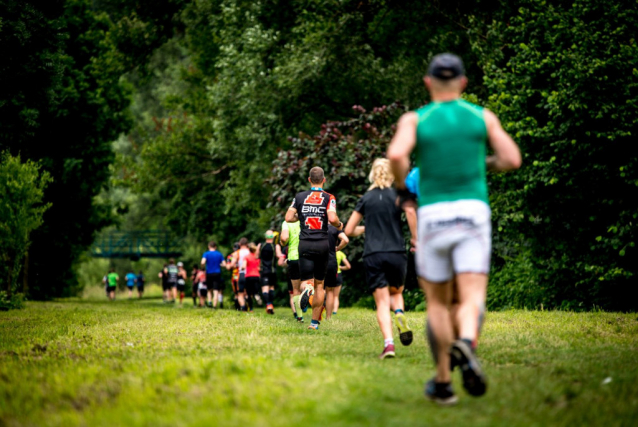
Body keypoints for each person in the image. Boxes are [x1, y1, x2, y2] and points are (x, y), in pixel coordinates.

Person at [387, 53, 521, 405]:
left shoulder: (416, 119)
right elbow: (511, 159)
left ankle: (444, 382)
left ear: (428, 83)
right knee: (472, 296)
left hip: (433, 214)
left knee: (437, 304)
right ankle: (467, 340)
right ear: (463, 83)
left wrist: (403, 189)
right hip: (473, 212)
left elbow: (397, 156)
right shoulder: (481, 117)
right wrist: (483, 161)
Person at [345, 158, 415, 359]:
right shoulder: (398, 195)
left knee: (382, 302)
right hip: (396, 252)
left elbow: (349, 230)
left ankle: (389, 345)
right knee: (396, 291)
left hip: (373, 254)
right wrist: (415, 238)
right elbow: (410, 211)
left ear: (372, 174)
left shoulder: (366, 198)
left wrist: (364, 229)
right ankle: (400, 313)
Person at [284, 166, 344, 330]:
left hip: (305, 244)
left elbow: (288, 217)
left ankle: (307, 289)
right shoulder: (329, 197)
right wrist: (339, 224)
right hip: (322, 244)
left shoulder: (299, 196)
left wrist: (301, 216)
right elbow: (332, 218)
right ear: (324, 180)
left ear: (309, 180)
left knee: (306, 281)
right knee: (320, 284)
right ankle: (314, 323)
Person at [324, 225, 349, 320]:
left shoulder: (316, 225)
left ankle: (316, 316)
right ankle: (329, 317)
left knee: (319, 289)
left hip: (318, 260)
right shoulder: (335, 228)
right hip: (331, 262)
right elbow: (346, 240)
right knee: (330, 292)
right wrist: (338, 248)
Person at [281, 219, 303, 322]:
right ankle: (306, 299)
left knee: (295, 290)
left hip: (293, 257)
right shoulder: (305, 219)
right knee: (308, 283)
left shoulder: (286, 222)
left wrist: (282, 242)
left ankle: (299, 316)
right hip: (306, 256)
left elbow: (284, 238)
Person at [257, 230, 281, 314]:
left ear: (265, 237)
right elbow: (279, 255)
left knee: (264, 289)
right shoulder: (276, 246)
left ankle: (268, 304)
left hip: (263, 270)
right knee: (271, 288)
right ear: (273, 237)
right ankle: (270, 305)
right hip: (273, 270)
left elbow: (256, 256)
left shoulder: (260, 245)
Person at [201, 241, 226, 309]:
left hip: (209, 273)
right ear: (215, 247)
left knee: (209, 289)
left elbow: (202, 262)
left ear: (209, 246)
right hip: (217, 273)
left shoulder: (206, 254)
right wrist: (219, 264)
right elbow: (224, 264)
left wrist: (203, 267)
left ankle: (209, 302)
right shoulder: (219, 254)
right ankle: (214, 305)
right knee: (216, 290)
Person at [228, 238, 251, 311]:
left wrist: (232, 265)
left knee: (238, 293)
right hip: (249, 274)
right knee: (247, 292)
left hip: (237, 276)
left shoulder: (233, 255)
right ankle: (250, 307)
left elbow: (229, 266)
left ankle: (240, 308)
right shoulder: (250, 252)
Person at [327, 250, 350, 317]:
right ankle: (334, 311)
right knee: (336, 296)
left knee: (328, 293)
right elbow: (348, 266)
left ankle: (327, 310)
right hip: (338, 275)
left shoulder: (328, 252)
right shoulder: (340, 253)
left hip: (329, 274)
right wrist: (341, 267)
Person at [244, 243, 262, 312]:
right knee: (256, 291)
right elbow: (259, 268)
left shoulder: (247, 257)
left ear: (249, 249)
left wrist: (242, 267)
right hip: (256, 276)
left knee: (248, 294)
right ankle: (256, 295)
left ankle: (251, 308)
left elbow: (244, 265)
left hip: (248, 276)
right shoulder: (257, 257)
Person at [227, 243, 241, 310]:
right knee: (243, 292)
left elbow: (228, 267)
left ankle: (237, 308)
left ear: (233, 248)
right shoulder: (243, 254)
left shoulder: (230, 256)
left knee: (236, 293)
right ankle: (245, 307)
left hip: (235, 275)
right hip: (243, 275)